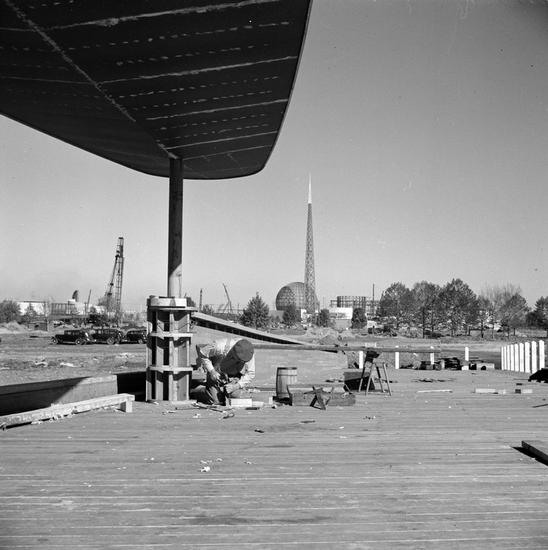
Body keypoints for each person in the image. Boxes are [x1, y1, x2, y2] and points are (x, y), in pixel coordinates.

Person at [195, 338, 255, 405]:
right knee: (216, 402)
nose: (240, 362)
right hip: (216, 375)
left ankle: (222, 392)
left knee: (236, 396)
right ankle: (198, 390)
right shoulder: (219, 346)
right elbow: (203, 353)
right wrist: (212, 371)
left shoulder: (248, 352)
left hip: (233, 378)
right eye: (238, 359)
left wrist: (236, 386)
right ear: (233, 352)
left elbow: (250, 373)